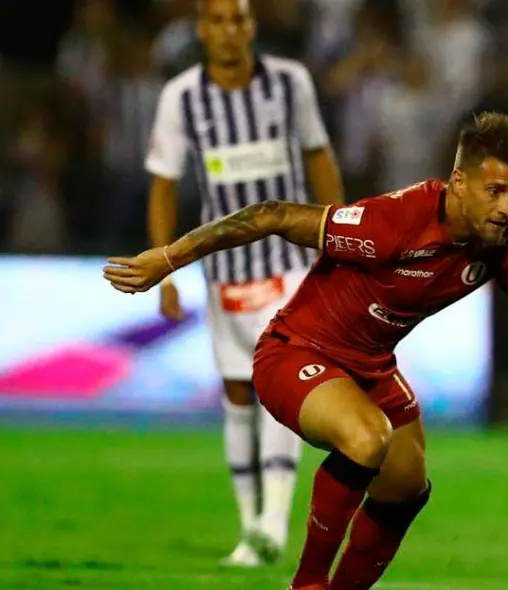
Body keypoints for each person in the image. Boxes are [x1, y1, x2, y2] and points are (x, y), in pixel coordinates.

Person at [106, 111, 508, 590]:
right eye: (495, 190)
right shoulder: (394, 223)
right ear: (459, 182)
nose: (506, 208)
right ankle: (309, 583)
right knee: (367, 440)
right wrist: (170, 258)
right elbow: (272, 215)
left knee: (408, 486)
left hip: (371, 368)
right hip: (294, 353)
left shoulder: (505, 244)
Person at [144, 0, 345, 567]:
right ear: (203, 30)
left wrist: (339, 235)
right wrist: (164, 267)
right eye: (220, 20)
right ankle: (249, 527)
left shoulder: (290, 83)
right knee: (237, 394)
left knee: (281, 388)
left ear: (252, 26)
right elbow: (163, 184)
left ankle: (274, 524)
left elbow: (319, 158)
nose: (231, 30)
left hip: (289, 266)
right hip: (225, 273)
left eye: (240, 19)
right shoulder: (181, 96)